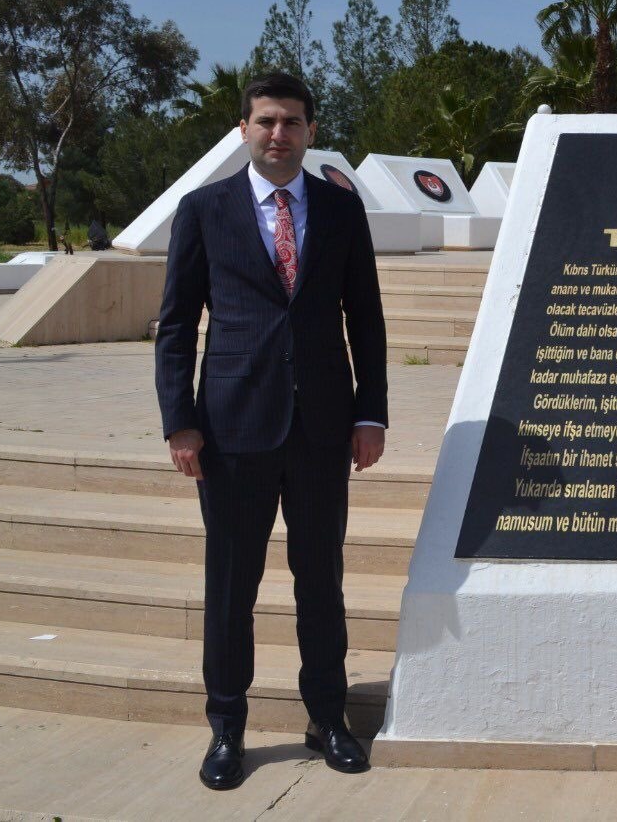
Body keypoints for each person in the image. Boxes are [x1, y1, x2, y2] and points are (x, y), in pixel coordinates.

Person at [155, 71, 388, 791]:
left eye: (291, 121)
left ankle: (327, 718)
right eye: (265, 121)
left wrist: (370, 411)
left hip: (321, 428)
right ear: (244, 130)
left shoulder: (342, 211)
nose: (278, 134)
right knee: (231, 588)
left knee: (321, 583)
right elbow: (175, 327)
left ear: (312, 131)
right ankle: (228, 727)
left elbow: (366, 320)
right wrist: (180, 423)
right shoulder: (204, 210)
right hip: (230, 432)